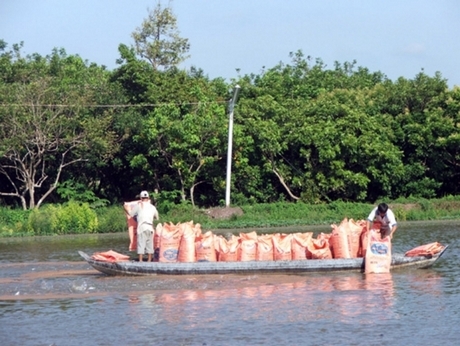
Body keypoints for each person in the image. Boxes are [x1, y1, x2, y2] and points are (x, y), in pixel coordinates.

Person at [123, 190, 159, 262]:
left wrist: (125, 208)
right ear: (148, 198)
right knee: (150, 246)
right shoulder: (152, 207)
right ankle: (149, 261)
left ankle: (140, 261)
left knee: (141, 245)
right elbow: (157, 218)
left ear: (141, 198)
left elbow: (131, 214)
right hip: (150, 228)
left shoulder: (138, 206)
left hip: (142, 228)